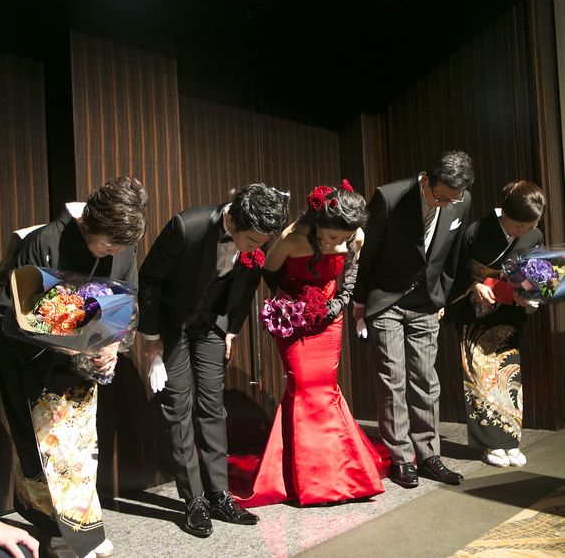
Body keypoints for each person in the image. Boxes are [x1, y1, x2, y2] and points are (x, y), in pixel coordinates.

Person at [0, 177, 148, 558]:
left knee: (79, 450)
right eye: (109, 245)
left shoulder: (123, 246)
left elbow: (125, 304)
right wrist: (67, 344)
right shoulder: (45, 242)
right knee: (49, 451)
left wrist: (112, 345)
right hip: (36, 364)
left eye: (121, 248)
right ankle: (61, 531)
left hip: (84, 366)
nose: (115, 252)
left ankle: (79, 530)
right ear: (89, 223)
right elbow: (14, 312)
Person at [137, 183, 290, 538]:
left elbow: (247, 286)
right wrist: (151, 335)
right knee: (178, 407)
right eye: (251, 242)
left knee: (213, 406)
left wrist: (231, 329)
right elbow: (150, 279)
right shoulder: (187, 227)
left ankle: (219, 494)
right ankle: (194, 500)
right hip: (172, 325)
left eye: (261, 244)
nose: (255, 249)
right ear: (232, 220)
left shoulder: (255, 238)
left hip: (212, 325)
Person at [236, 179, 385, 507]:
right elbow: (269, 274)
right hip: (296, 318)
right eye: (333, 237)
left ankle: (341, 473)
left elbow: (350, 277)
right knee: (303, 387)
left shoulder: (355, 237)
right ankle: (312, 477)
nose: (338, 243)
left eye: (344, 239)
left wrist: (338, 303)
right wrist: (293, 302)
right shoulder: (291, 239)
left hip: (331, 316)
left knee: (326, 388)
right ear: (317, 223)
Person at [353, 151, 474, 488]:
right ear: (425, 180)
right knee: (393, 379)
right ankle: (401, 458)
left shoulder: (461, 201)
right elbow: (368, 253)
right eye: (441, 197)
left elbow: (453, 255)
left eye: (453, 199)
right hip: (387, 298)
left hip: (426, 301)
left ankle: (429, 454)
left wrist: (441, 297)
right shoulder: (389, 197)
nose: (446, 204)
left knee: (425, 379)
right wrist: (360, 302)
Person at [451, 180, 546, 467]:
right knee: (481, 375)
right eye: (519, 226)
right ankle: (489, 444)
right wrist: (474, 284)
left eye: (530, 226)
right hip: (477, 312)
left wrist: (530, 294)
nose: (524, 232)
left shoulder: (534, 236)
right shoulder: (475, 231)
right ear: (503, 213)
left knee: (509, 372)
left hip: (509, 310)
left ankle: (510, 440)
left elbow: (534, 274)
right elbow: (455, 268)